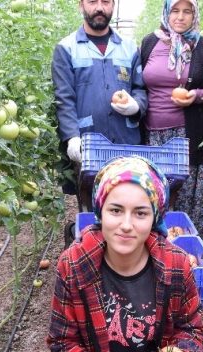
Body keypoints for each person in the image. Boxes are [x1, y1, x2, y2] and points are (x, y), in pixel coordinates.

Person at [47, 156, 203, 352]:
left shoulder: (176, 265)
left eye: (141, 213)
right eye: (116, 210)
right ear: (101, 211)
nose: (126, 225)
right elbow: (63, 342)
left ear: (155, 217)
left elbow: (191, 330)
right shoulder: (74, 265)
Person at [52, 0, 148, 216]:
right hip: (88, 145)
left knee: (126, 204)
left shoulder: (129, 46)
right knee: (91, 207)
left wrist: (135, 106)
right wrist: (71, 137)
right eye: (92, 1)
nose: (99, 7)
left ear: (113, 6)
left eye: (105, 2)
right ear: (81, 6)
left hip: (126, 143)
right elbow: (64, 98)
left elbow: (140, 88)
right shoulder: (67, 48)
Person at [140, 0, 203, 245]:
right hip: (153, 135)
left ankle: (188, 252)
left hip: (191, 135)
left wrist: (196, 96)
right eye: (175, 10)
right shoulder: (150, 43)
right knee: (155, 194)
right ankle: (154, 250)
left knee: (189, 198)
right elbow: (137, 83)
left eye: (187, 11)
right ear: (166, 13)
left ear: (194, 15)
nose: (180, 17)